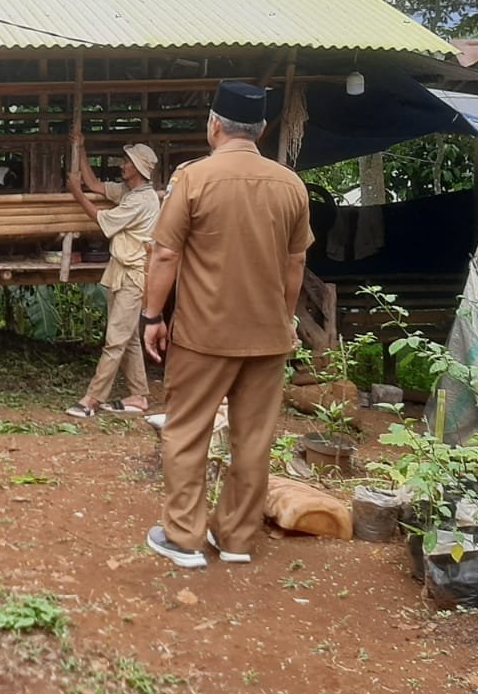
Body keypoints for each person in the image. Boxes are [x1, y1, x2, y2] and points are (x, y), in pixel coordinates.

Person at [139, 83, 310, 568]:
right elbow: (295, 262)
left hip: (203, 335)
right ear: (262, 129)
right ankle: (235, 538)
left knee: (187, 431)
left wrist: (153, 315)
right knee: (253, 440)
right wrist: (284, 317)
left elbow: (166, 252)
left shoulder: (194, 180)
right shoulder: (290, 184)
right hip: (267, 337)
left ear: (214, 125)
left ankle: (185, 538)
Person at [64, 140, 160, 419]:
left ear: (138, 169)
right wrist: (80, 149)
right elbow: (95, 185)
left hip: (133, 275)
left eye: (127, 161)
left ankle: (92, 400)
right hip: (121, 272)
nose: (122, 165)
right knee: (128, 337)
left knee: (115, 339)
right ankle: (139, 397)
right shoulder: (131, 192)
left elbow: (103, 220)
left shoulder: (143, 201)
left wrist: (75, 193)